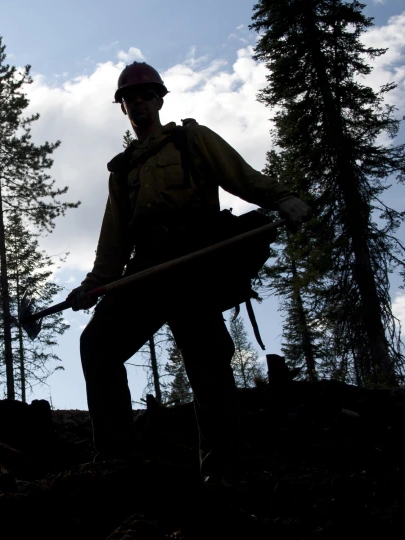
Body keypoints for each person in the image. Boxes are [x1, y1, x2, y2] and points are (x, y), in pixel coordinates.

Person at [68, 62, 311, 480]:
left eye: (146, 94)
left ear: (160, 98)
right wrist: (93, 285)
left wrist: (283, 197)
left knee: (207, 360)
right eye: (130, 98)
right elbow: (113, 241)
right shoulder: (123, 169)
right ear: (122, 107)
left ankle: (223, 472)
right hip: (146, 267)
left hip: (194, 259)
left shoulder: (189, 139)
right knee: (97, 345)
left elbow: (242, 175)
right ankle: (116, 461)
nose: (139, 102)